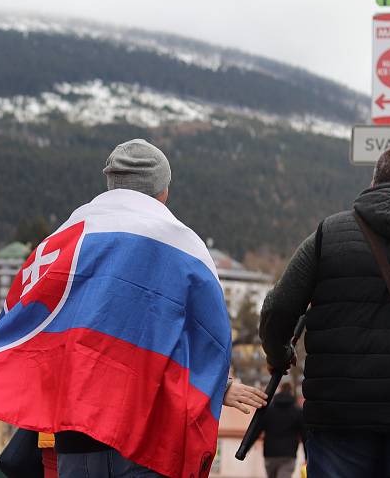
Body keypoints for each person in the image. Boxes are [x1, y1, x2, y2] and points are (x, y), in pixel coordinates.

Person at [55, 139, 266, 477]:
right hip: (143, 439)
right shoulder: (181, 247)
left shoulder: (69, 237)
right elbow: (204, 339)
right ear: (162, 191)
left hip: (76, 435)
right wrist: (219, 387)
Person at [259, 147, 390, 478]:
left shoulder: (328, 235)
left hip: (338, 415)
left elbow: (277, 308)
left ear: (373, 185)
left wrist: (278, 352)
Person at [255, 382, 304, 478]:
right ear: (291, 392)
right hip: (288, 454)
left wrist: (246, 447)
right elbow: (304, 434)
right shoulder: (297, 411)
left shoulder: (268, 410)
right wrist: (307, 456)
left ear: (280, 390)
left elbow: (257, 430)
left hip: (270, 453)